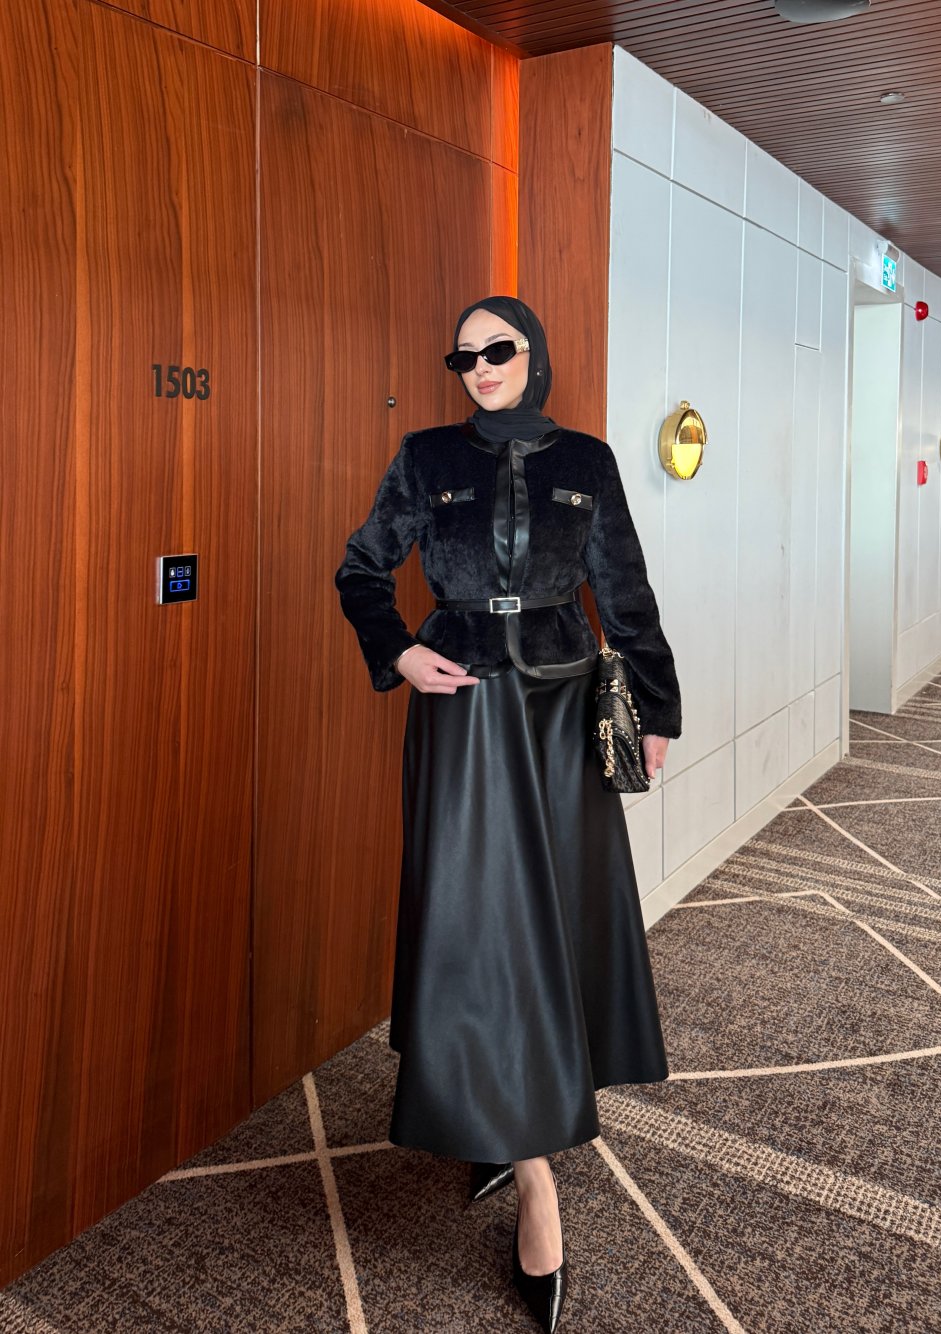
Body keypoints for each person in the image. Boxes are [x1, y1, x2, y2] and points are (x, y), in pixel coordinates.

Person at [335, 296, 681, 1331]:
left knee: (558, 923)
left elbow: (625, 591)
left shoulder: (588, 460)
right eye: (465, 356)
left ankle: (511, 1120)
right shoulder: (426, 455)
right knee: (482, 925)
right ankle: (533, 1172)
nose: (480, 366)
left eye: (498, 349)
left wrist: (656, 706)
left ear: (534, 354)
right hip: (468, 709)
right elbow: (360, 568)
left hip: (563, 708)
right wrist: (399, 650)